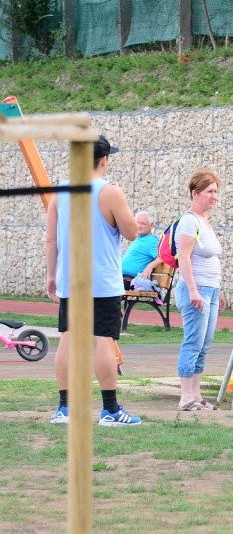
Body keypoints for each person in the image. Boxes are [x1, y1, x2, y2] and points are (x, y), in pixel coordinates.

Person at [45, 135, 142, 426]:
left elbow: (51, 240)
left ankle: (65, 408)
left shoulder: (60, 191)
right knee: (103, 340)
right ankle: (110, 410)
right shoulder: (109, 191)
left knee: (68, 338)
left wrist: (51, 275)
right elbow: (132, 232)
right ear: (104, 160)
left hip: (71, 279)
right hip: (101, 280)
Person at [173, 169, 226, 412]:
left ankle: (196, 395)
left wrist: (218, 290)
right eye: (209, 192)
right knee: (193, 342)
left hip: (210, 290)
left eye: (216, 192)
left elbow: (210, 258)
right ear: (195, 193)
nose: (214, 196)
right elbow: (184, 256)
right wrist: (193, 290)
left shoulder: (205, 221)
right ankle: (185, 397)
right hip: (197, 290)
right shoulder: (189, 221)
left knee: (204, 344)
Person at [120, 211, 160, 290]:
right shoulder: (139, 238)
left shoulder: (152, 241)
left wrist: (150, 266)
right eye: (137, 223)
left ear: (151, 225)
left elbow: (162, 257)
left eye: (143, 224)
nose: (139, 226)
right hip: (119, 276)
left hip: (129, 279)